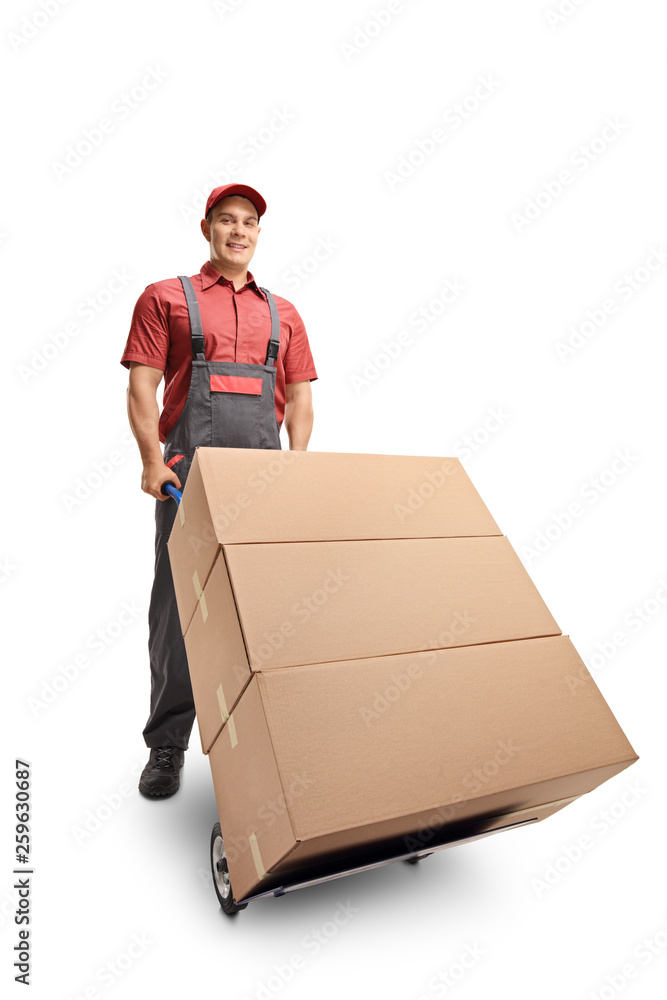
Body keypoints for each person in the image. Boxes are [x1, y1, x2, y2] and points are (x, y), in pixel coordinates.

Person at [120, 183, 318, 796]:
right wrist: (153, 461)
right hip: (189, 484)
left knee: (266, 613)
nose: (239, 230)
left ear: (259, 233)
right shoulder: (166, 298)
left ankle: (273, 740)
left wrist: (298, 465)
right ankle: (167, 746)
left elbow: (301, 396)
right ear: (206, 227)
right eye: (227, 220)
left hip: (262, 483)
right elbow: (142, 388)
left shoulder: (283, 311)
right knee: (179, 613)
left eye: (250, 222)